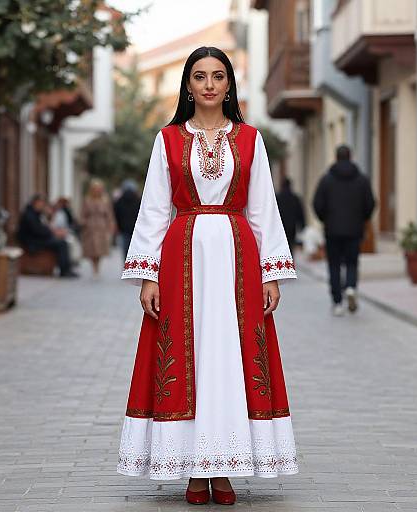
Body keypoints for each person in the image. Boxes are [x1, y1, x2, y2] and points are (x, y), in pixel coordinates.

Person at [117, 47, 298, 505]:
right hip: (181, 257)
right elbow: (155, 208)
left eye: (219, 76)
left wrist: (270, 274)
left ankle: (226, 468)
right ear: (188, 85)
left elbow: (263, 208)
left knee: (230, 359)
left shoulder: (251, 139)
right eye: (200, 77)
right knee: (188, 355)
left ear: (230, 85)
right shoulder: (169, 139)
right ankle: (195, 470)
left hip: (238, 257)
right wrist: (148, 274)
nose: (210, 85)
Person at [312, 145, 375, 316]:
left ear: (336, 157)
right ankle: (351, 287)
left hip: (332, 230)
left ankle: (338, 302)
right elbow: (370, 203)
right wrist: (363, 219)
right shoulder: (362, 180)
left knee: (334, 265)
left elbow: (317, 204)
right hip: (354, 229)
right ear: (351, 156)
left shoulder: (326, 180)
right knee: (352, 262)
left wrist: (325, 219)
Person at [16, 194, 78, 278]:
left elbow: (43, 227)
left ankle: (67, 267)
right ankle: (64, 270)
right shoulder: (29, 214)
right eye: (41, 204)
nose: (42, 206)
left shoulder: (36, 214)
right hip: (32, 242)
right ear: (36, 203)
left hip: (38, 239)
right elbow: (37, 230)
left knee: (63, 241)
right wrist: (52, 232)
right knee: (61, 244)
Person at [81, 178, 116, 276]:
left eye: (99, 188)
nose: (97, 190)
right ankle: (94, 266)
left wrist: (111, 224)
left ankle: (97, 266)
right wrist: (84, 222)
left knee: (100, 249)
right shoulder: (87, 200)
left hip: (101, 226)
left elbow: (109, 214)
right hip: (90, 226)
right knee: (92, 249)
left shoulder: (105, 200)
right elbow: (83, 213)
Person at [113, 179, 141, 258]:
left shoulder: (119, 201)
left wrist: (118, 226)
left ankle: (126, 264)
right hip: (136, 228)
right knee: (135, 248)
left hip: (123, 228)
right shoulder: (138, 201)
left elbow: (116, 214)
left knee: (125, 248)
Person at [51, 197, 82, 265]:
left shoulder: (64, 211)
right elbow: (53, 225)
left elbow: (69, 222)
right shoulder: (54, 212)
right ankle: (67, 264)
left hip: (63, 231)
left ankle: (71, 262)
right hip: (56, 232)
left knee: (71, 241)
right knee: (67, 242)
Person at [276, 177, 305, 250]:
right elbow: (300, 212)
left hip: (281, 226)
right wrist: (302, 225)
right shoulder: (295, 198)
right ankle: (290, 259)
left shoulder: (278, 198)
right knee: (290, 245)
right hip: (292, 226)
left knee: (281, 245)